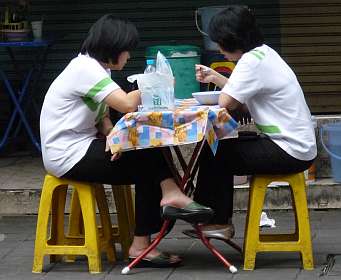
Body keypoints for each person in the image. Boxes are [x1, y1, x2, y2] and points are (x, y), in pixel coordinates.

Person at [39, 14, 213, 268]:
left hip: (84, 145)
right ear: (112, 47)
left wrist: (111, 135)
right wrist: (154, 84)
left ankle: (165, 206)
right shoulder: (84, 69)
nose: (129, 56)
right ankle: (167, 204)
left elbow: (102, 116)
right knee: (146, 155)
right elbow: (125, 103)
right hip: (67, 155)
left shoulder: (98, 69)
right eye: (127, 51)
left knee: (147, 151)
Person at [184, 5, 317, 241]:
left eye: (219, 43)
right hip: (295, 144)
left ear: (231, 39)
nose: (218, 49)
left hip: (290, 149)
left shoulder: (250, 62)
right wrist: (215, 77)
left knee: (217, 151)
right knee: (219, 147)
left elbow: (227, 101)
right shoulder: (265, 53)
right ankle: (211, 218)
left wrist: (219, 82)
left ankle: (216, 221)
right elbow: (242, 96)